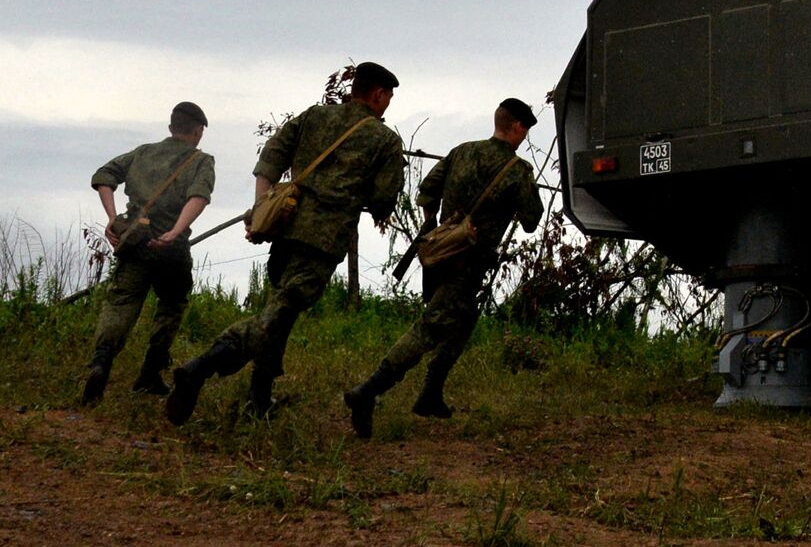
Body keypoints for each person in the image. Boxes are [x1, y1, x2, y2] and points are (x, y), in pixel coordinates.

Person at [166, 61, 405, 424]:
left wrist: (263, 206)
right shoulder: (384, 140)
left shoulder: (314, 117)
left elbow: (270, 159)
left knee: (280, 314)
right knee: (275, 318)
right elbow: (384, 199)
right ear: (378, 94)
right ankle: (200, 367)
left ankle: (258, 401)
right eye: (387, 98)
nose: (386, 104)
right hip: (322, 241)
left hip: (286, 230)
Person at [343, 97, 542, 437]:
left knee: (463, 320)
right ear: (517, 128)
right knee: (430, 327)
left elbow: (426, 191)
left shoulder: (462, 150)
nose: (525, 136)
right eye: (525, 130)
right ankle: (368, 390)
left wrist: (436, 226)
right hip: (470, 261)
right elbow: (531, 220)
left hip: (439, 254)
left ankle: (431, 394)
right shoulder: (517, 170)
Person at [81, 102, 216, 405]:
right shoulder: (201, 160)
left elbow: (104, 176)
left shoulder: (142, 153)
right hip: (171, 248)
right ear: (197, 132)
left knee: (121, 302)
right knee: (172, 303)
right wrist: (175, 231)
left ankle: (101, 362)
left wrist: (113, 218)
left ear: (170, 128)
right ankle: (150, 374)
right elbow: (199, 197)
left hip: (135, 242)